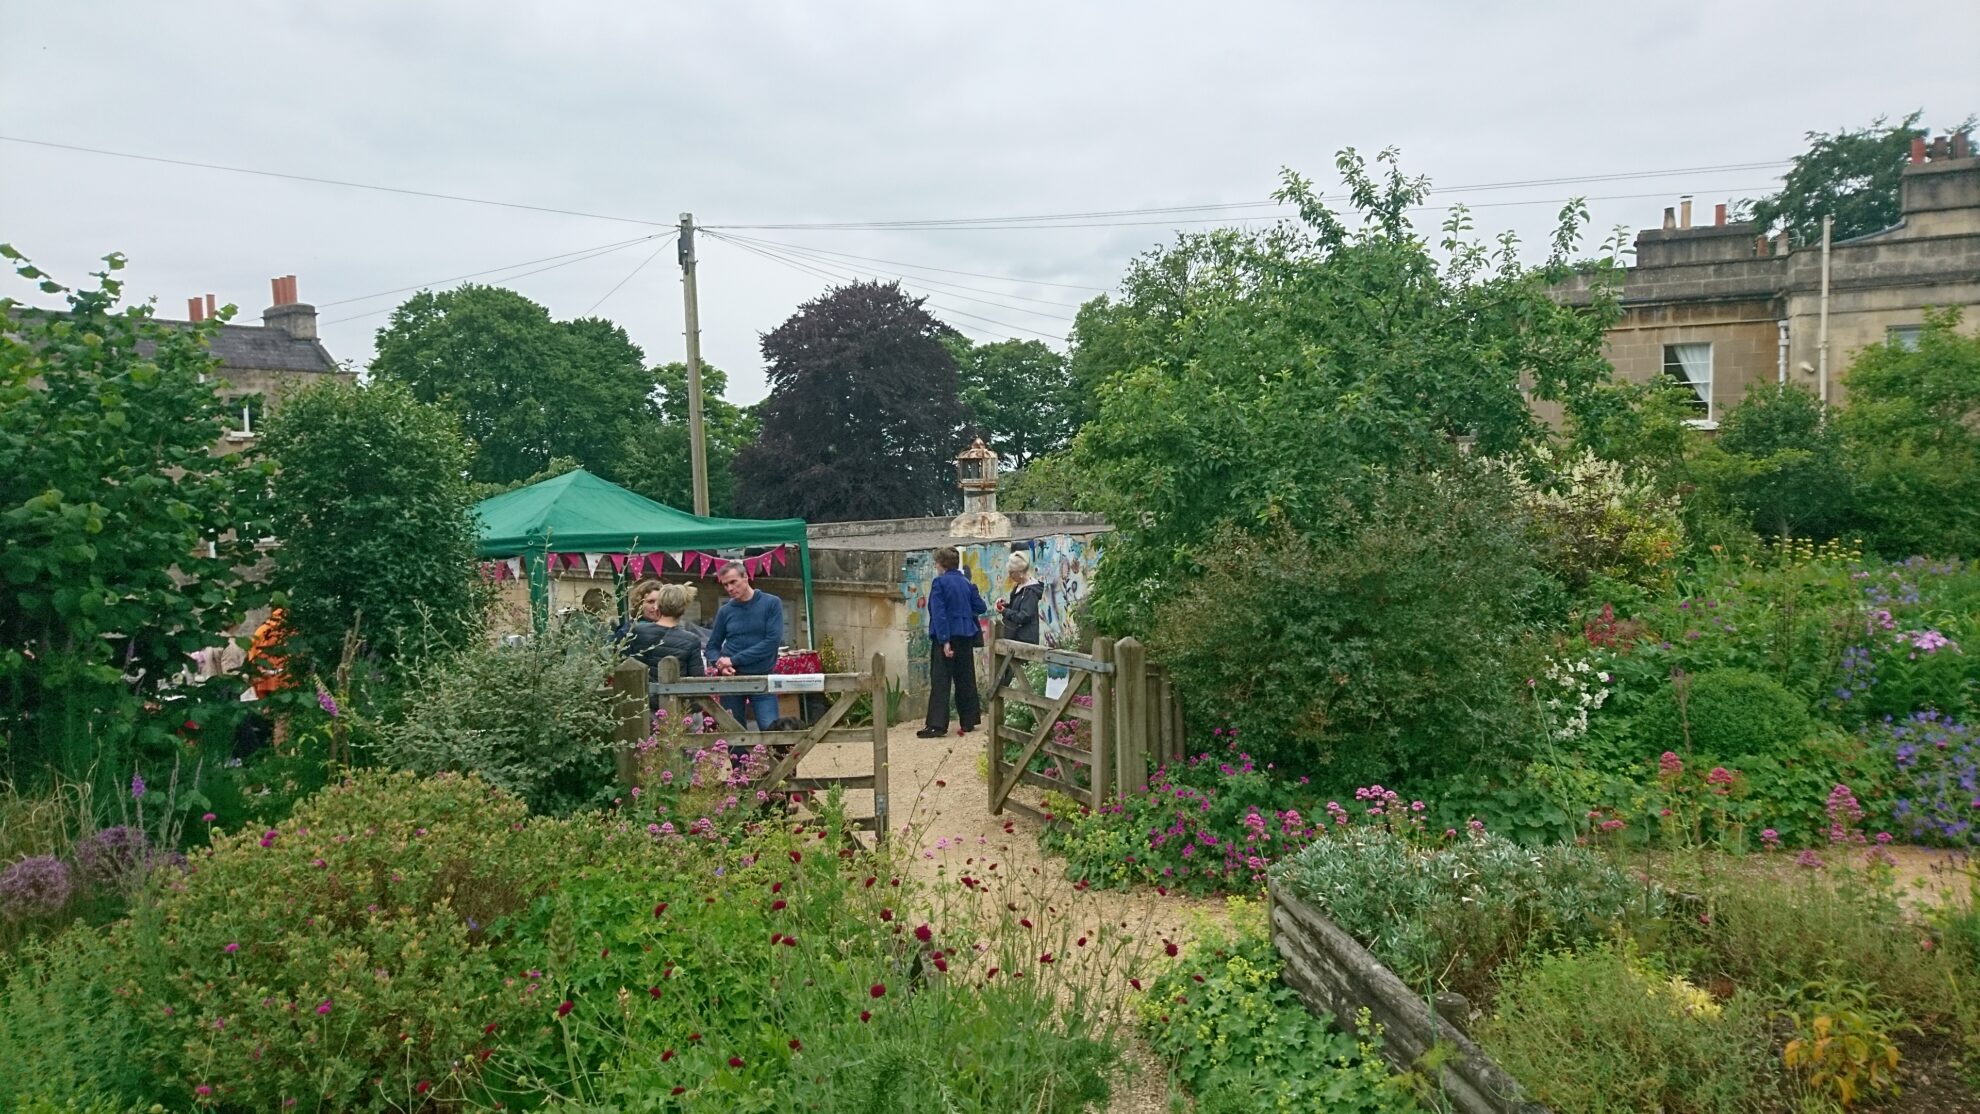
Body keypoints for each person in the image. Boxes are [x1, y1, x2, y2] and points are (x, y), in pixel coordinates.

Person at [704, 560, 786, 732]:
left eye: (733, 582)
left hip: (762, 677)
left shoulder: (771, 603)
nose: (729, 588)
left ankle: (775, 760)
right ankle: (739, 760)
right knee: (734, 732)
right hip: (731, 679)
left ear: (746, 577)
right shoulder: (726, 610)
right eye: (725, 585)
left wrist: (732, 660)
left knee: (771, 729)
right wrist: (718, 663)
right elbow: (712, 646)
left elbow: (771, 643)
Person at [918, 547, 987, 738]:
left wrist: (945, 641)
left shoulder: (939, 583)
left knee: (941, 680)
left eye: (936, 563)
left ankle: (937, 724)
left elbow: (938, 614)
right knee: (966, 678)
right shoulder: (966, 583)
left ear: (942, 564)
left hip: (946, 636)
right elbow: (980, 607)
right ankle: (969, 719)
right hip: (966, 636)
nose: (936, 566)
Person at [621, 580, 704, 710]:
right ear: (683, 609)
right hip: (675, 707)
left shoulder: (638, 631)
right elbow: (697, 682)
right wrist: (695, 710)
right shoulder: (691, 640)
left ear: (659, 605)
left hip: (643, 706)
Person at [992, 551, 1044, 692]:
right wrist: (1006, 605)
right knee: (1009, 676)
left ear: (1020, 572)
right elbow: (1018, 608)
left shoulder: (1031, 592)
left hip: (1024, 639)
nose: (1010, 576)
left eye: (1012, 573)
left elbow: (1023, 616)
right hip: (1014, 637)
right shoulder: (1019, 587)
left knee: (1019, 679)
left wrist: (1005, 612)